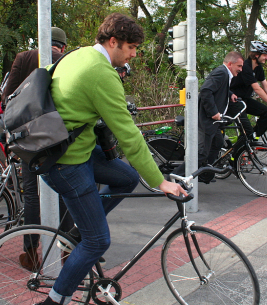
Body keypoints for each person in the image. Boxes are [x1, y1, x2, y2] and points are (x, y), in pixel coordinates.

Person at [36, 13, 186, 305]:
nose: (133, 54)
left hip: (73, 150)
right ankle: (54, 301)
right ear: (113, 41)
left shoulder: (78, 55)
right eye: (130, 47)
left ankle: (81, 229)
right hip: (65, 164)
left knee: (127, 177)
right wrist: (159, 181)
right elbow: (129, 135)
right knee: (98, 241)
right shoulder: (101, 73)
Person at [0, 27, 73, 272]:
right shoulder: (67, 61)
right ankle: (66, 252)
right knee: (65, 193)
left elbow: (8, 98)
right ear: (62, 46)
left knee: (31, 195)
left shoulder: (24, 57)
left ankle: (31, 254)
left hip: (28, 138)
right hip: (58, 137)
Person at [172, 51, 244, 178]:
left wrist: (229, 94)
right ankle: (174, 177)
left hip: (213, 121)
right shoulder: (221, 72)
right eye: (239, 66)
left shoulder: (225, 74)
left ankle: (205, 174)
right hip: (206, 120)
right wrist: (214, 113)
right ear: (230, 64)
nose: (241, 69)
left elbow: (217, 88)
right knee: (201, 154)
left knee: (218, 143)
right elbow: (206, 90)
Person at [227, 41, 267, 139]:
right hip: (234, 101)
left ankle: (255, 138)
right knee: (247, 131)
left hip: (245, 100)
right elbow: (257, 89)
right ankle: (242, 147)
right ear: (256, 55)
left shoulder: (258, 68)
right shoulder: (245, 67)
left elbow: (266, 87)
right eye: (265, 55)